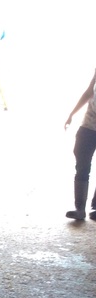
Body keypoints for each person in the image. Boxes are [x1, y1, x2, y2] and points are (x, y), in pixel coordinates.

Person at [65, 70, 96, 221]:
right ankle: (80, 208)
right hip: (88, 126)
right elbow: (89, 92)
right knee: (82, 165)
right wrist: (72, 114)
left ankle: (95, 207)